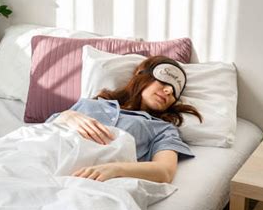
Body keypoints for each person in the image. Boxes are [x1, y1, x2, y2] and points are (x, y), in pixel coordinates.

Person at [47, 56, 202, 184]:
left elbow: (165, 171)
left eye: (175, 91)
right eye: (164, 81)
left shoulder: (162, 129)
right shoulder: (90, 104)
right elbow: (43, 131)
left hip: (85, 178)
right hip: (47, 155)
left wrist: (114, 169)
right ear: (142, 75)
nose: (169, 91)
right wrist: (67, 116)